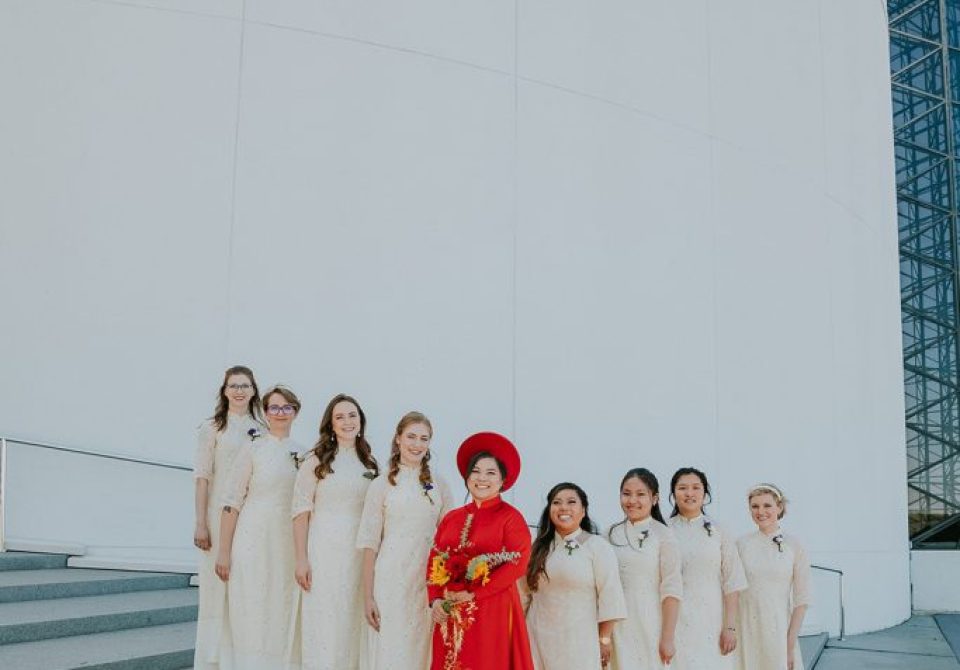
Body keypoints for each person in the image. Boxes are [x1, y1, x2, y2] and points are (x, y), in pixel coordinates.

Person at [426, 432, 534, 670]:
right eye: (475, 471)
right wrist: (434, 600)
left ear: (503, 480)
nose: (481, 478)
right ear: (467, 476)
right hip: (450, 612)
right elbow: (435, 558)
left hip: (492, 611)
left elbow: (519, 562)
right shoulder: (452, 518)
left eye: (490, 473)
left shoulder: (510, 518)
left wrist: (476, 594)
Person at [214, 385, 303, 669]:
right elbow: (231, 501)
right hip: (253, 536)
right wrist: (224, 551)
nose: (280, 413)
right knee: (252, 605)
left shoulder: (303, 454)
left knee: (280, 606)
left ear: (295, 412)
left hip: (286, 542)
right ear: (265, 413)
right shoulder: (252, 449)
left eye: (286, 407)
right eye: (274, 407)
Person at [356, 411, 453, 669]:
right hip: (391, 579)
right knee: (391, 646)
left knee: (422, 649)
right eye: (411, 436)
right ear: (398, 439)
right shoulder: (381, 484)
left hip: (426, 579)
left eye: (424, 438)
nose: (417, 444)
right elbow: (369, 542)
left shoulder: (440, 484)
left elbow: (450, 539)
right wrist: (368, 597)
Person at [292, 393, 380, 670]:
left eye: (352, 415)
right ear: (330, 424)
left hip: (358, 552)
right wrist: (301, 558)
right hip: (324, 549)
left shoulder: (370, 463)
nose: (347, 421)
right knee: (325, 616)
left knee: (352, 617)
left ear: (361, 421)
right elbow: (300, 511)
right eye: (339, 417)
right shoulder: (315, 461)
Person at [193, 365, 263, 670]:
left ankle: (238, 658)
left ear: (253, 391)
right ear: (224, 391)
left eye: (244, 385)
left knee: (241, 587)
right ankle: (212, 660)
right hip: (216, 515)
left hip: (248, 519)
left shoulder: (261, 429)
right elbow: (202, 477)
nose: (238, 390)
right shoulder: (212, 428)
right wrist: (200, 522)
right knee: (215, 587)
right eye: (233, 385)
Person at [525, 482, 627, 669]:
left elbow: (610, 595)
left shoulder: (596, 546)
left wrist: (604, 639)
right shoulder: (538, 548)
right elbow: (525, 594)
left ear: (583, 510)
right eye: (556, 502)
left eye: (571, 502)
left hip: (579, 641)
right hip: (537, 637)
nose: (563, 507)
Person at [666, 467, 747, 670]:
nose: (689, 493)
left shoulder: (720, 530)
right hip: (674, 620)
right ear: (673, 493)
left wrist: (729, 627)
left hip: (712, 618)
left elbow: (732, 580)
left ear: (705, 493)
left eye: (696, 488)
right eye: (682, 488)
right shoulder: (663, 531)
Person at [608, 468, 682, 670]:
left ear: (655, 498)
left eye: (640, 494)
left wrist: (667, 638)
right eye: (626, 494)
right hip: (613, 622)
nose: (632, 500)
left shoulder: (664, 535)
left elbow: (672, 589)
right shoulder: (610, 533)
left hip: (648, 621)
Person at [735, 484, 810, 670]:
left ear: (779, 507)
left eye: (767, 505)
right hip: (745, 627)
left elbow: (801, 600)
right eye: (755, 506)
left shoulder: (794, 545)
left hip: (778, 629)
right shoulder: (741, 544)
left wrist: (789, 646)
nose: (761, 511)